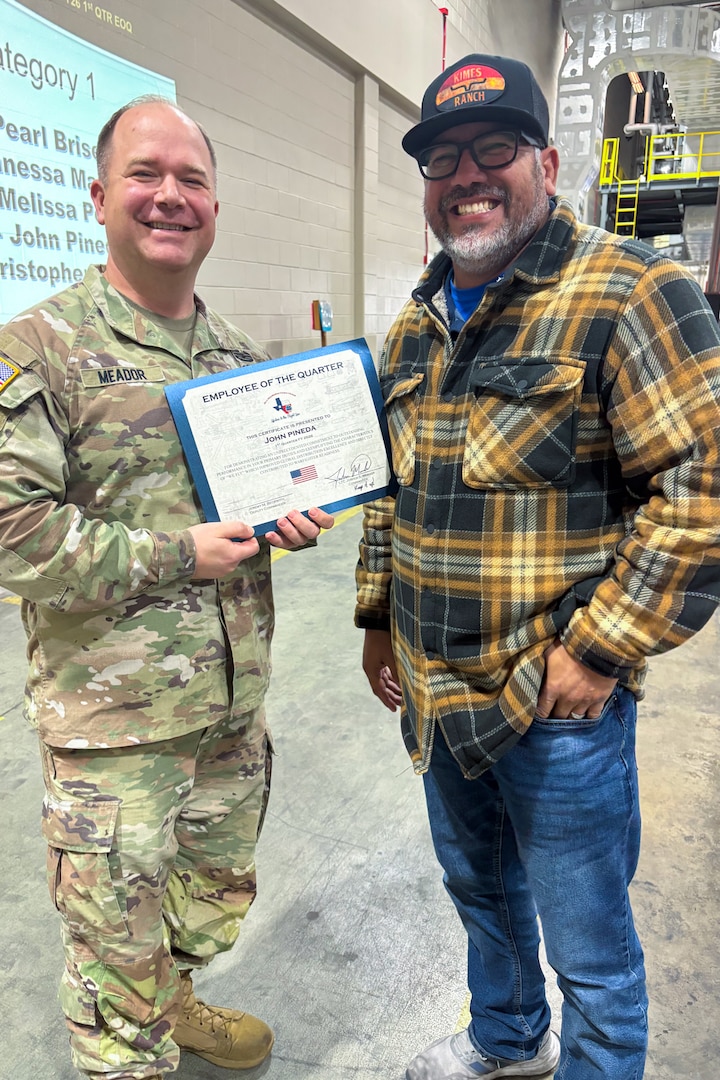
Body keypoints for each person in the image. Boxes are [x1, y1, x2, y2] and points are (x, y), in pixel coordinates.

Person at [356, 52, 720, 1080]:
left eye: (495, 148)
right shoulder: (416, 322)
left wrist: (598, 652)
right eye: (443, 159)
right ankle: (509, 1040)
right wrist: (378, 617)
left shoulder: (630, 290)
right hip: (436, 693)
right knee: (482, 896)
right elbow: (388, 488)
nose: (467, 175)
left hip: (554, 706)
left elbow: (702, 490)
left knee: (591, 950)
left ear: (548, 163)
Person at [0, 96, 333, 1079]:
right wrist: (176, 554)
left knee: (204, 903)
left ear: (216, 208)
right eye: (145, 174)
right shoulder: (40, 349)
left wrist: (286, 523)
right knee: (115, 956)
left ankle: (177, 1003)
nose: (170, 196)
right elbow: (12, 533)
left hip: (229, 711)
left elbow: (255, 512)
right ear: (99, 196)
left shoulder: (235, 359)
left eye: (192, 179)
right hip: (116, 735)